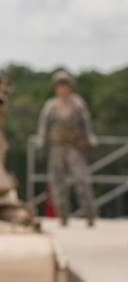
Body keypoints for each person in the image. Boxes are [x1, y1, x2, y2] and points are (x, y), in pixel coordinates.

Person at [36, 69, 98, 227]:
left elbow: (86, 122)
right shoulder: (51, 105)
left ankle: (89, 213)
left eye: (65, 85)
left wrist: (90, 138)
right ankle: (62, 215)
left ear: (70, 86)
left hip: (74, 147)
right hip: (57, 147)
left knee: (82, 180)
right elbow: (44, 125)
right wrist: (41, 142)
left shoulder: (77, 103)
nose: (63, 88)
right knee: (58, 182)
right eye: (60, 85)